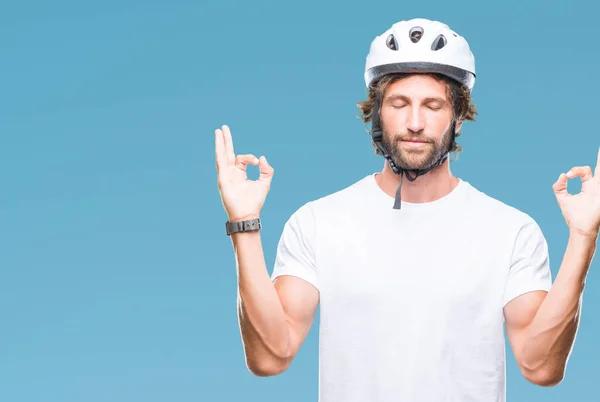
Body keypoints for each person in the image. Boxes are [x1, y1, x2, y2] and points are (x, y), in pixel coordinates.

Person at [214, 17, 600, 402]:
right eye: (400, 104)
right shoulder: (318, 223)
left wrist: (584, 236)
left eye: (432, 106)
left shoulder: (511, 231)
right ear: (377, 112)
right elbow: (269, 356)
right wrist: (243, 225)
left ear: (459, 119)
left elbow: (541, 367)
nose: (415, 123)